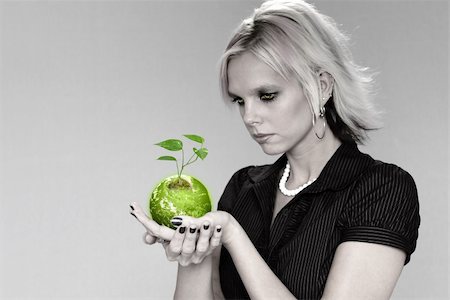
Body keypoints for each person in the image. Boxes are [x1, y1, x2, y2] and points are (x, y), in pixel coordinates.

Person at [130, 0, 420, 299]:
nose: (249, 117)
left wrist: (233, 235)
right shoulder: (243, 187)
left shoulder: (382, 188)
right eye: (240, 101)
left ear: (321, 86)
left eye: (266, 95)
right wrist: (193, 256)